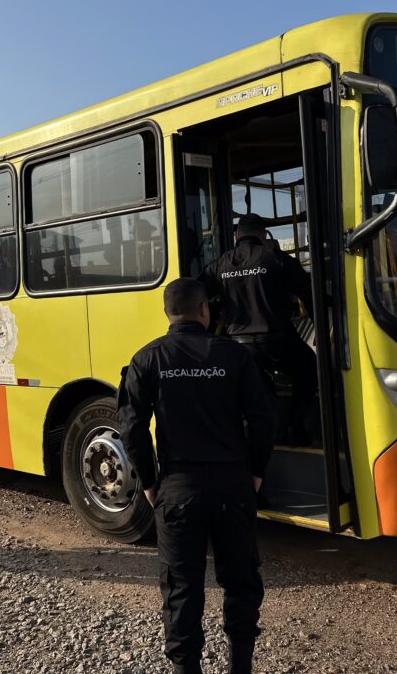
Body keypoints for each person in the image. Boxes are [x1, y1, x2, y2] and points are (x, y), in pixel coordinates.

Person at [118, 278, 275, 674]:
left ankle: (186, 668)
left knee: (182, 588)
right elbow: (262, 419)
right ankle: (240, 666)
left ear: (168, 313)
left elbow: (131, 428)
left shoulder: (147, 358)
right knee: (240, 581)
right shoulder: (235, 356)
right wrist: (255, 473)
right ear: (205, 310)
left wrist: (150, 483)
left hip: (178, 488)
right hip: (233, 485)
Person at [199, 213, 317, 445]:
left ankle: (264, 433)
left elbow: (196, 291)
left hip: (239, 345)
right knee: (308, 368)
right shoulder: (276, 257)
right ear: (263, 235)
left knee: (257, 384)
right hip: (278, 340)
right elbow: (308, 291)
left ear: (237, 235)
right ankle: (295, 428)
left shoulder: (221, 263)